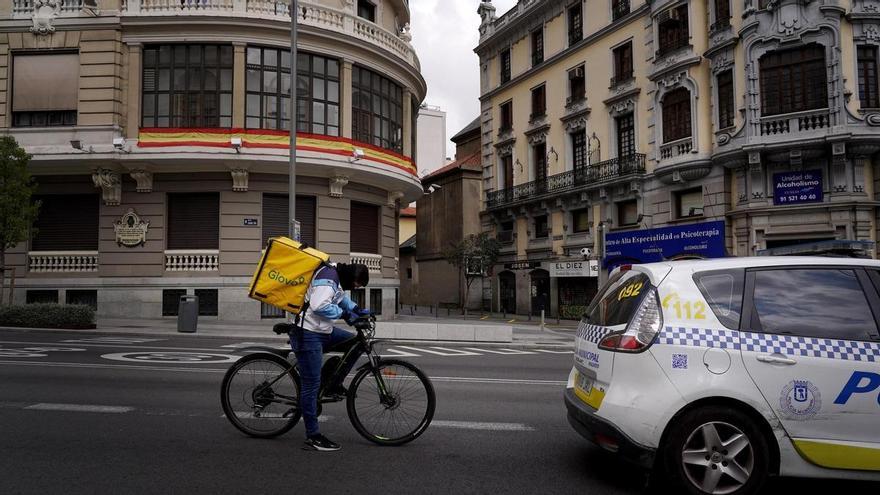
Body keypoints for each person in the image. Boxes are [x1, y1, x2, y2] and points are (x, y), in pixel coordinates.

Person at [289, 262, 371, 452]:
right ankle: (313, 437)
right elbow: (319, 305)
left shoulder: (337, 277)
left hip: (322, 330)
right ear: (351, 277)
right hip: (308, 332)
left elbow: (341, 298)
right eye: (357, 284)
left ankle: (333, 384)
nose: (357, 287)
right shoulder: (329, 277)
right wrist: (345, 315)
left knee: (355, 343)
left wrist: (358, 310)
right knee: (311, 385)